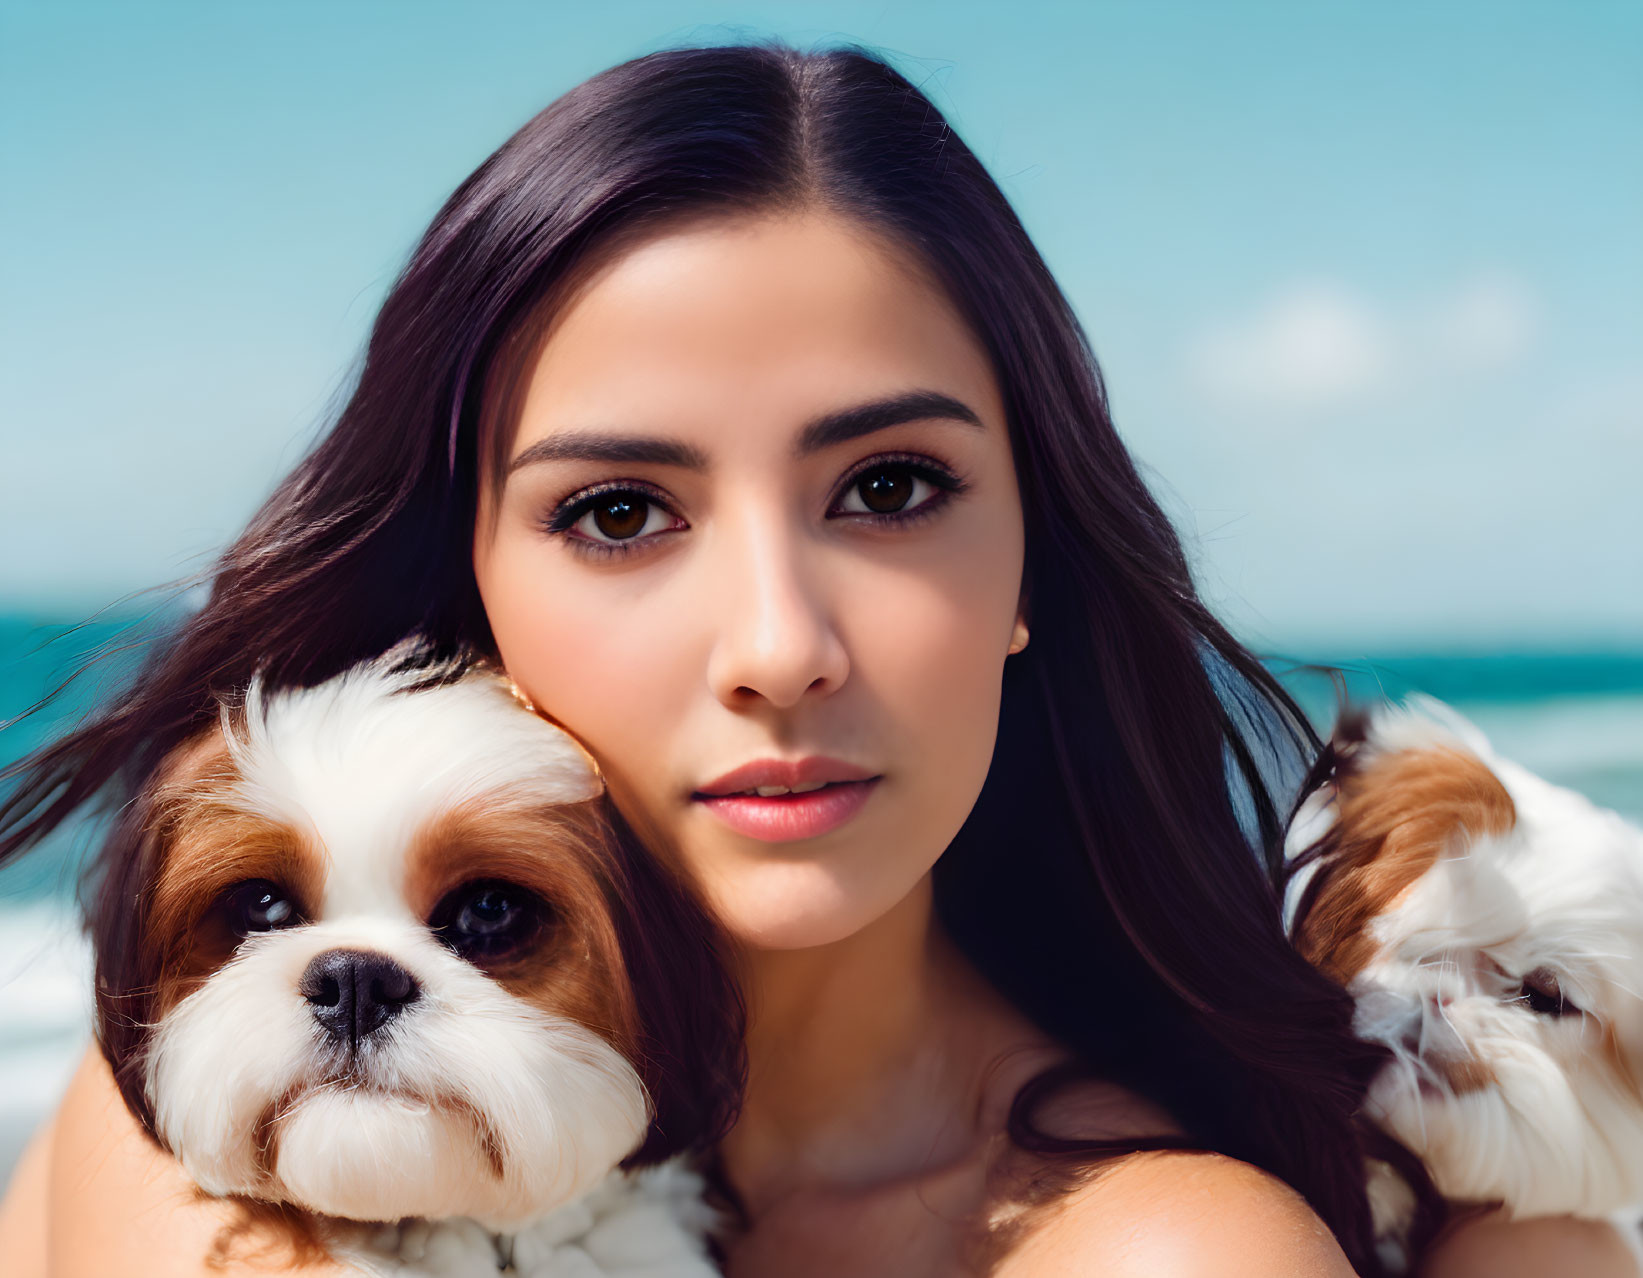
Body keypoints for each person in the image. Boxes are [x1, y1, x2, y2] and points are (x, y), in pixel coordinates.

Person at [0, 39, 1632, 1278]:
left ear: (1029, 564)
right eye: (623, 510)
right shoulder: (210, 1097)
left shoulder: (1159, 1248)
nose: (780, 645)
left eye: (891, 489)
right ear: (472, 576)